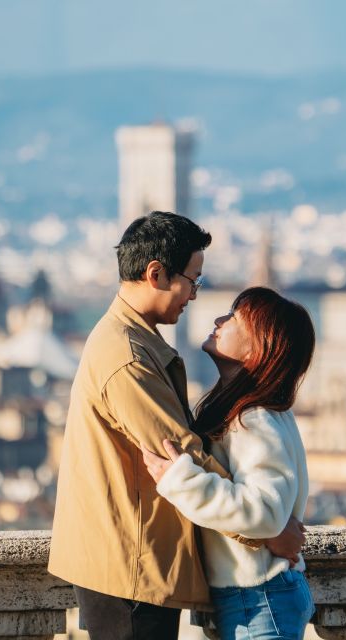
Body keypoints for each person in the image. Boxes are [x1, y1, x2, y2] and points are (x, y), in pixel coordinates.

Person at [48, 213, 305, 640]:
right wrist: (266, 530)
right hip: (130, 566)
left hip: (136, 562)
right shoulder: (128, 356)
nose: (194, 296)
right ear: (156, 274)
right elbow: (180, 453)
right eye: (193, 280)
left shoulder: (134, 343)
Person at [142, 286, 317, 640]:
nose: (220, 320)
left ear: (258, 348)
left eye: (236, 318)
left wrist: (180, 480)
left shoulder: (254, 419)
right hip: (255, 596)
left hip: (258, 598)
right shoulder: (257, 412)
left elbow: (265, 513)